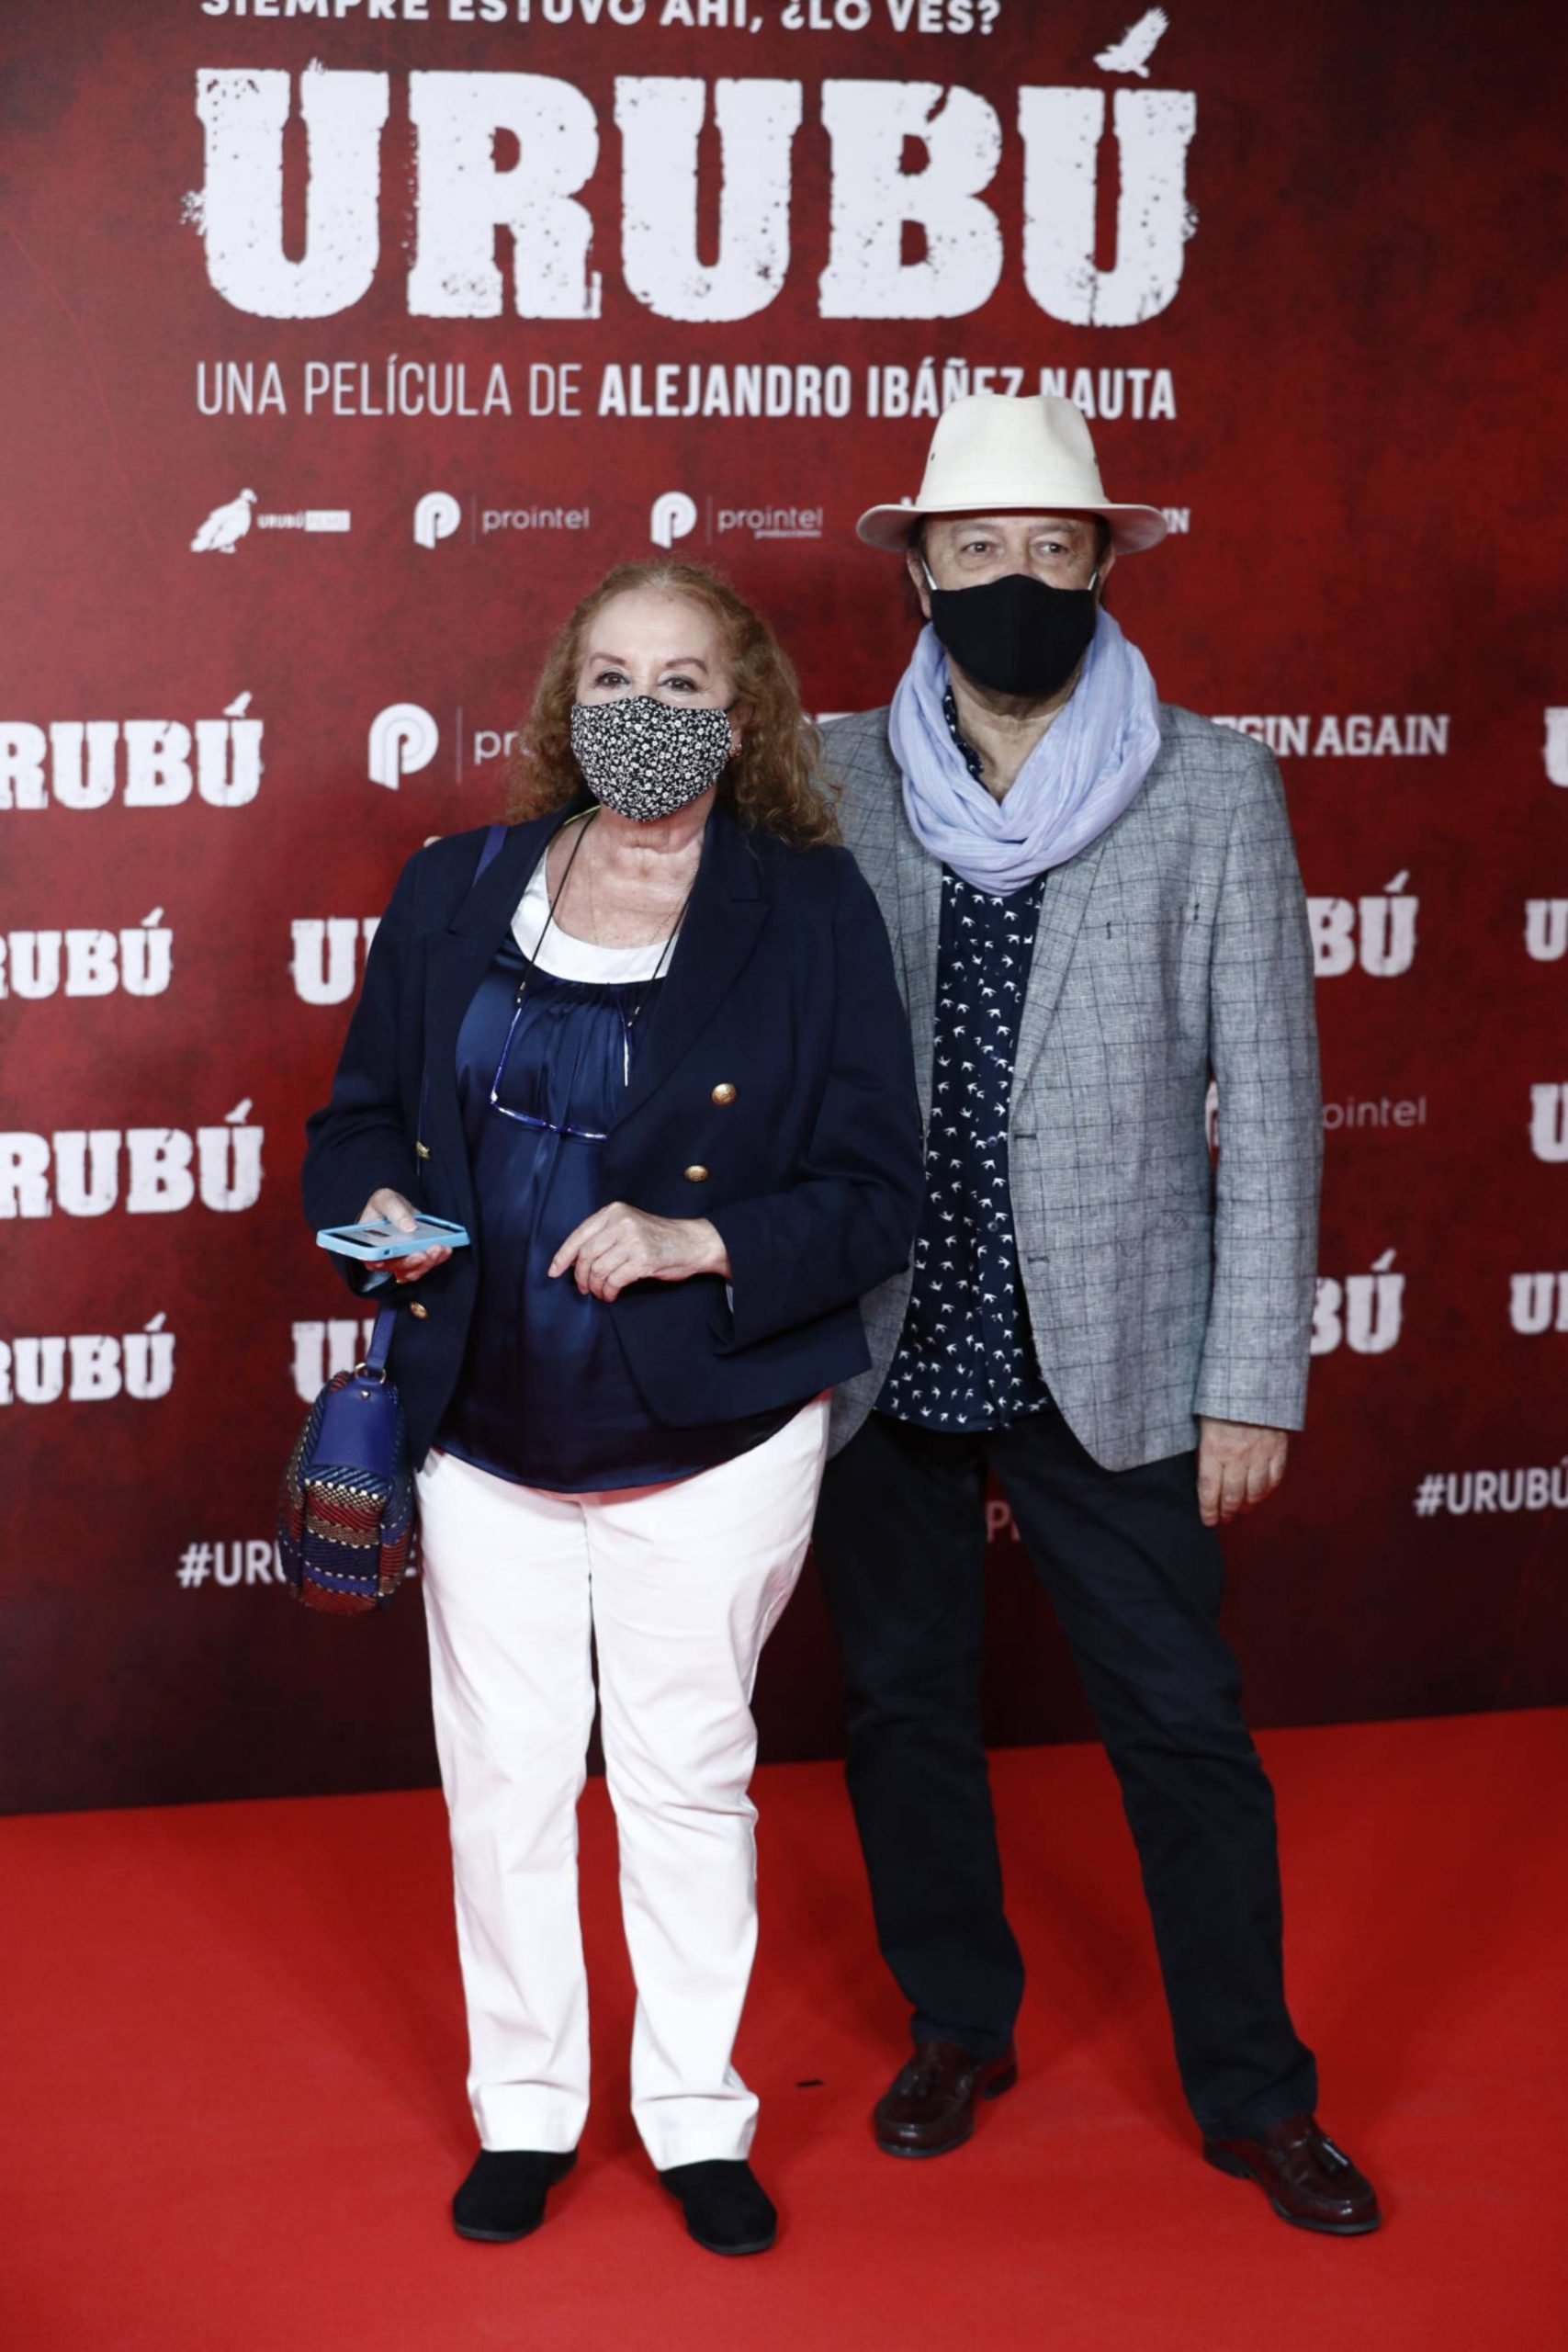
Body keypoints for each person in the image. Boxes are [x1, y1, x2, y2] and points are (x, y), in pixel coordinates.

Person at [302, 560, 922, 2257]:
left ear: (748, 713)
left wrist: (700, 1236)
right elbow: (355, 1127)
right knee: (504, 1782)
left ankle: (695, 2117)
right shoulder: (454, 885)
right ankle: (528, 2111)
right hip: (484, 1431)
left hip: (709, 1432)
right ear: (565, 697)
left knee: (684, 1778)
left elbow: (880, 1194)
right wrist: (392, 1240)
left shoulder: (809, 908)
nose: (643, 714)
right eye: (613, 677)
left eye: (684, 685)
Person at [812, 394, 1381, 2234]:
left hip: (1116, 1336)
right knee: (900, 1704)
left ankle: (1251, 2090)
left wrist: (1252, 1380)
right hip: (882, 1330)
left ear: (1103, 563)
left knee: (1177, 1720)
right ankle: (954, 2021)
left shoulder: (1208, 783)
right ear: (914, 568)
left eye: (1050, 549)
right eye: (972, 549)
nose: (1012, 581)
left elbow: (1273, 1101)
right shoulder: (822, 779)